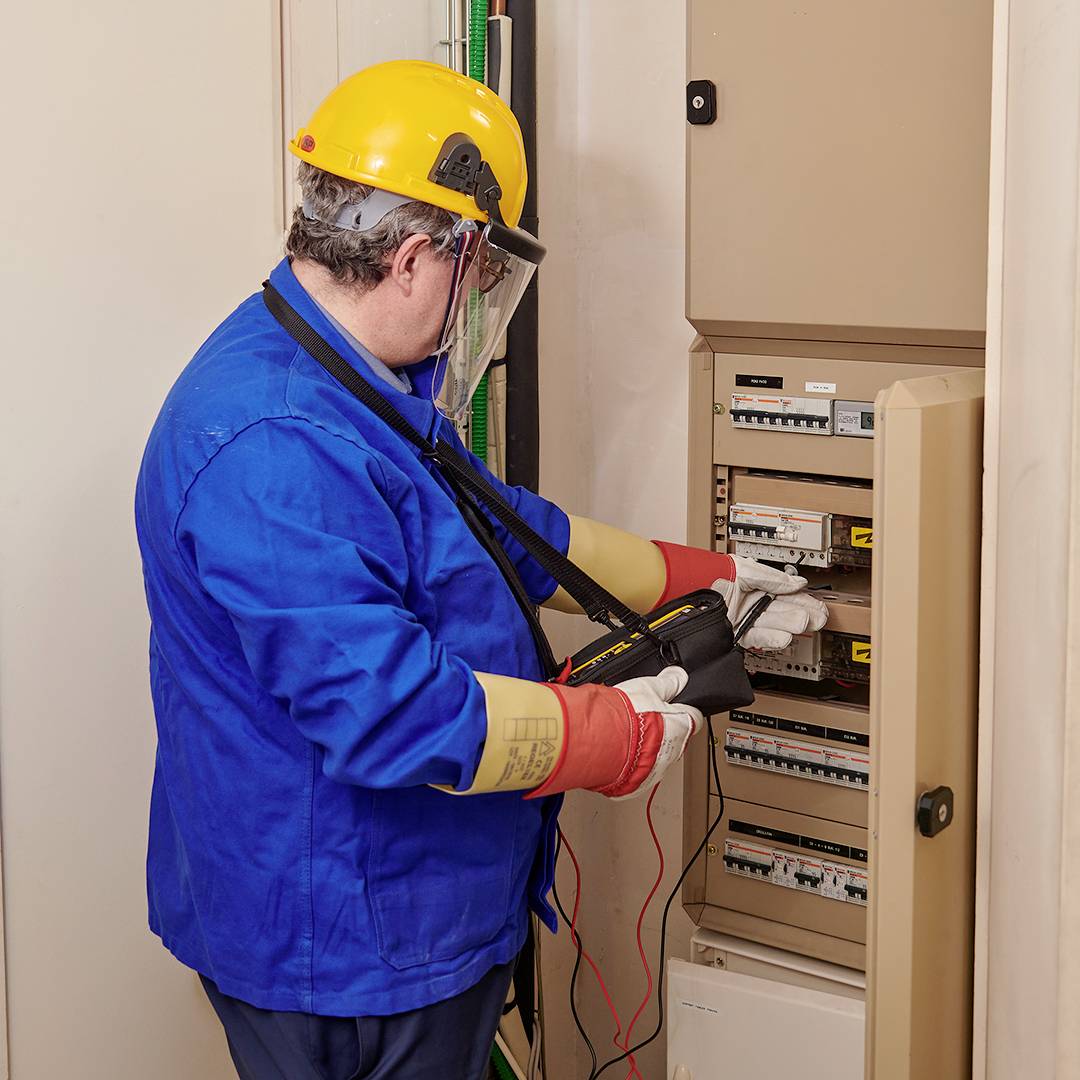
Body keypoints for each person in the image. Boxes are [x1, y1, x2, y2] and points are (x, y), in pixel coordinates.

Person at [134, 60, 827, 1080]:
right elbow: (393, 713)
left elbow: (508, 531)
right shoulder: (272, 445)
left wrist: (708, 579)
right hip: (353, 943)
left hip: (421, 905)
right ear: (418, 255)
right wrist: (614, 738)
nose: (480, 298)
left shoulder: (349, 371)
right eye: (480, 271)